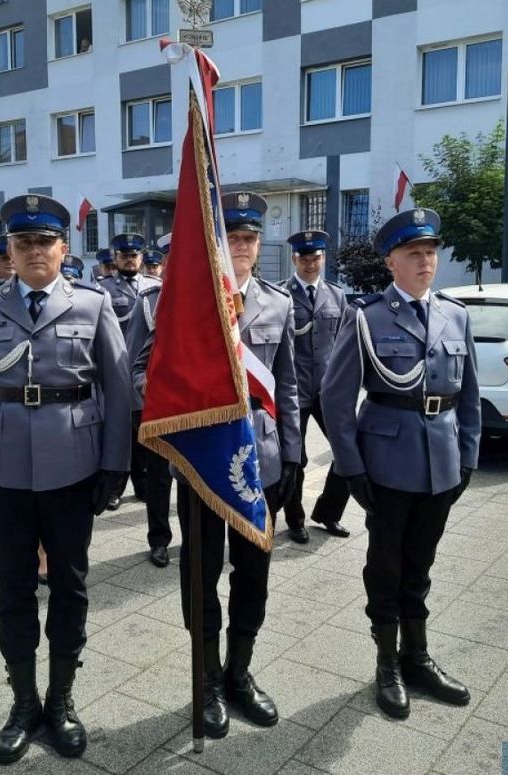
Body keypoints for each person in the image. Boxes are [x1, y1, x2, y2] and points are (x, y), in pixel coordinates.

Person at [0, 193, 130, 764]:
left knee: (71, 587)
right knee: (14, 590)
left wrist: (115, 464)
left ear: (63, 247)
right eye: (21, 242)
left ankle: (62, 700)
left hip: (73, 468)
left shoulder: (94, 305)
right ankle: (23, 702)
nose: (33, 251)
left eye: (43, 242)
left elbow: (120, 392)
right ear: (8, 249)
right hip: (1, 468)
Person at [137, 193, 300, 739]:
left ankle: (239, 672)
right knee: (200, 574)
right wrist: (179, 412)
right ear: (215, 244)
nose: (244, 247)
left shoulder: (278, 304)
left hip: (262, 456)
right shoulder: (185, 302)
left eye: (251, 237)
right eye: (233, 237)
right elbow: (145, 371)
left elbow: (290, 385)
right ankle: (205, 680)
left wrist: (295, 452)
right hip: (205, 458)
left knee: (253, 575)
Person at [321, 207, 481, 720]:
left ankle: (418, 657)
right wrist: (352, 470)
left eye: (431, 252)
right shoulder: (366, 317)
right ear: (391, 261)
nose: (425, 262)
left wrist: (469, 457)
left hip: (442, 462)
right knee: (386, 568)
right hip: (387, 465)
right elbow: (335, 399)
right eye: (414, 253)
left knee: (422, 566)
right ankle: (386, 664)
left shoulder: (456, 315)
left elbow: (471, 396)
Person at [280, 230, 351, 544]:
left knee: (349, 450)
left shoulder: (337, 295)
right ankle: (295, 520)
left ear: (323, 258)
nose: (311, 264)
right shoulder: (281, 296)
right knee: (296, 458)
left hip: (328, 390)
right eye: (305, 258)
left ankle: (328, 512)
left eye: (316, 258)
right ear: (295, 259)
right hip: (293, 390)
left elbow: (346, 345)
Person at [99, 232, 161, 510]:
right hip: (114, 368)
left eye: (134, 255)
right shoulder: (102, 289)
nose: (130, 259)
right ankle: (114, 488)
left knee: (143, 434)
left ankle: (143, 484)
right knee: (119, 432)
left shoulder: (153, 285)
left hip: (145, 370)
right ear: (116, 258)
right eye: (124, 255)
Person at [124, 241, 173, 569]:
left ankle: (200, 538)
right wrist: (150, 393)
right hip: (159, 407)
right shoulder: (150, 301)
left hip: (204, 409)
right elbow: (134, 360)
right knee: (158, 479)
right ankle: (159, 539)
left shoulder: (221, 298)